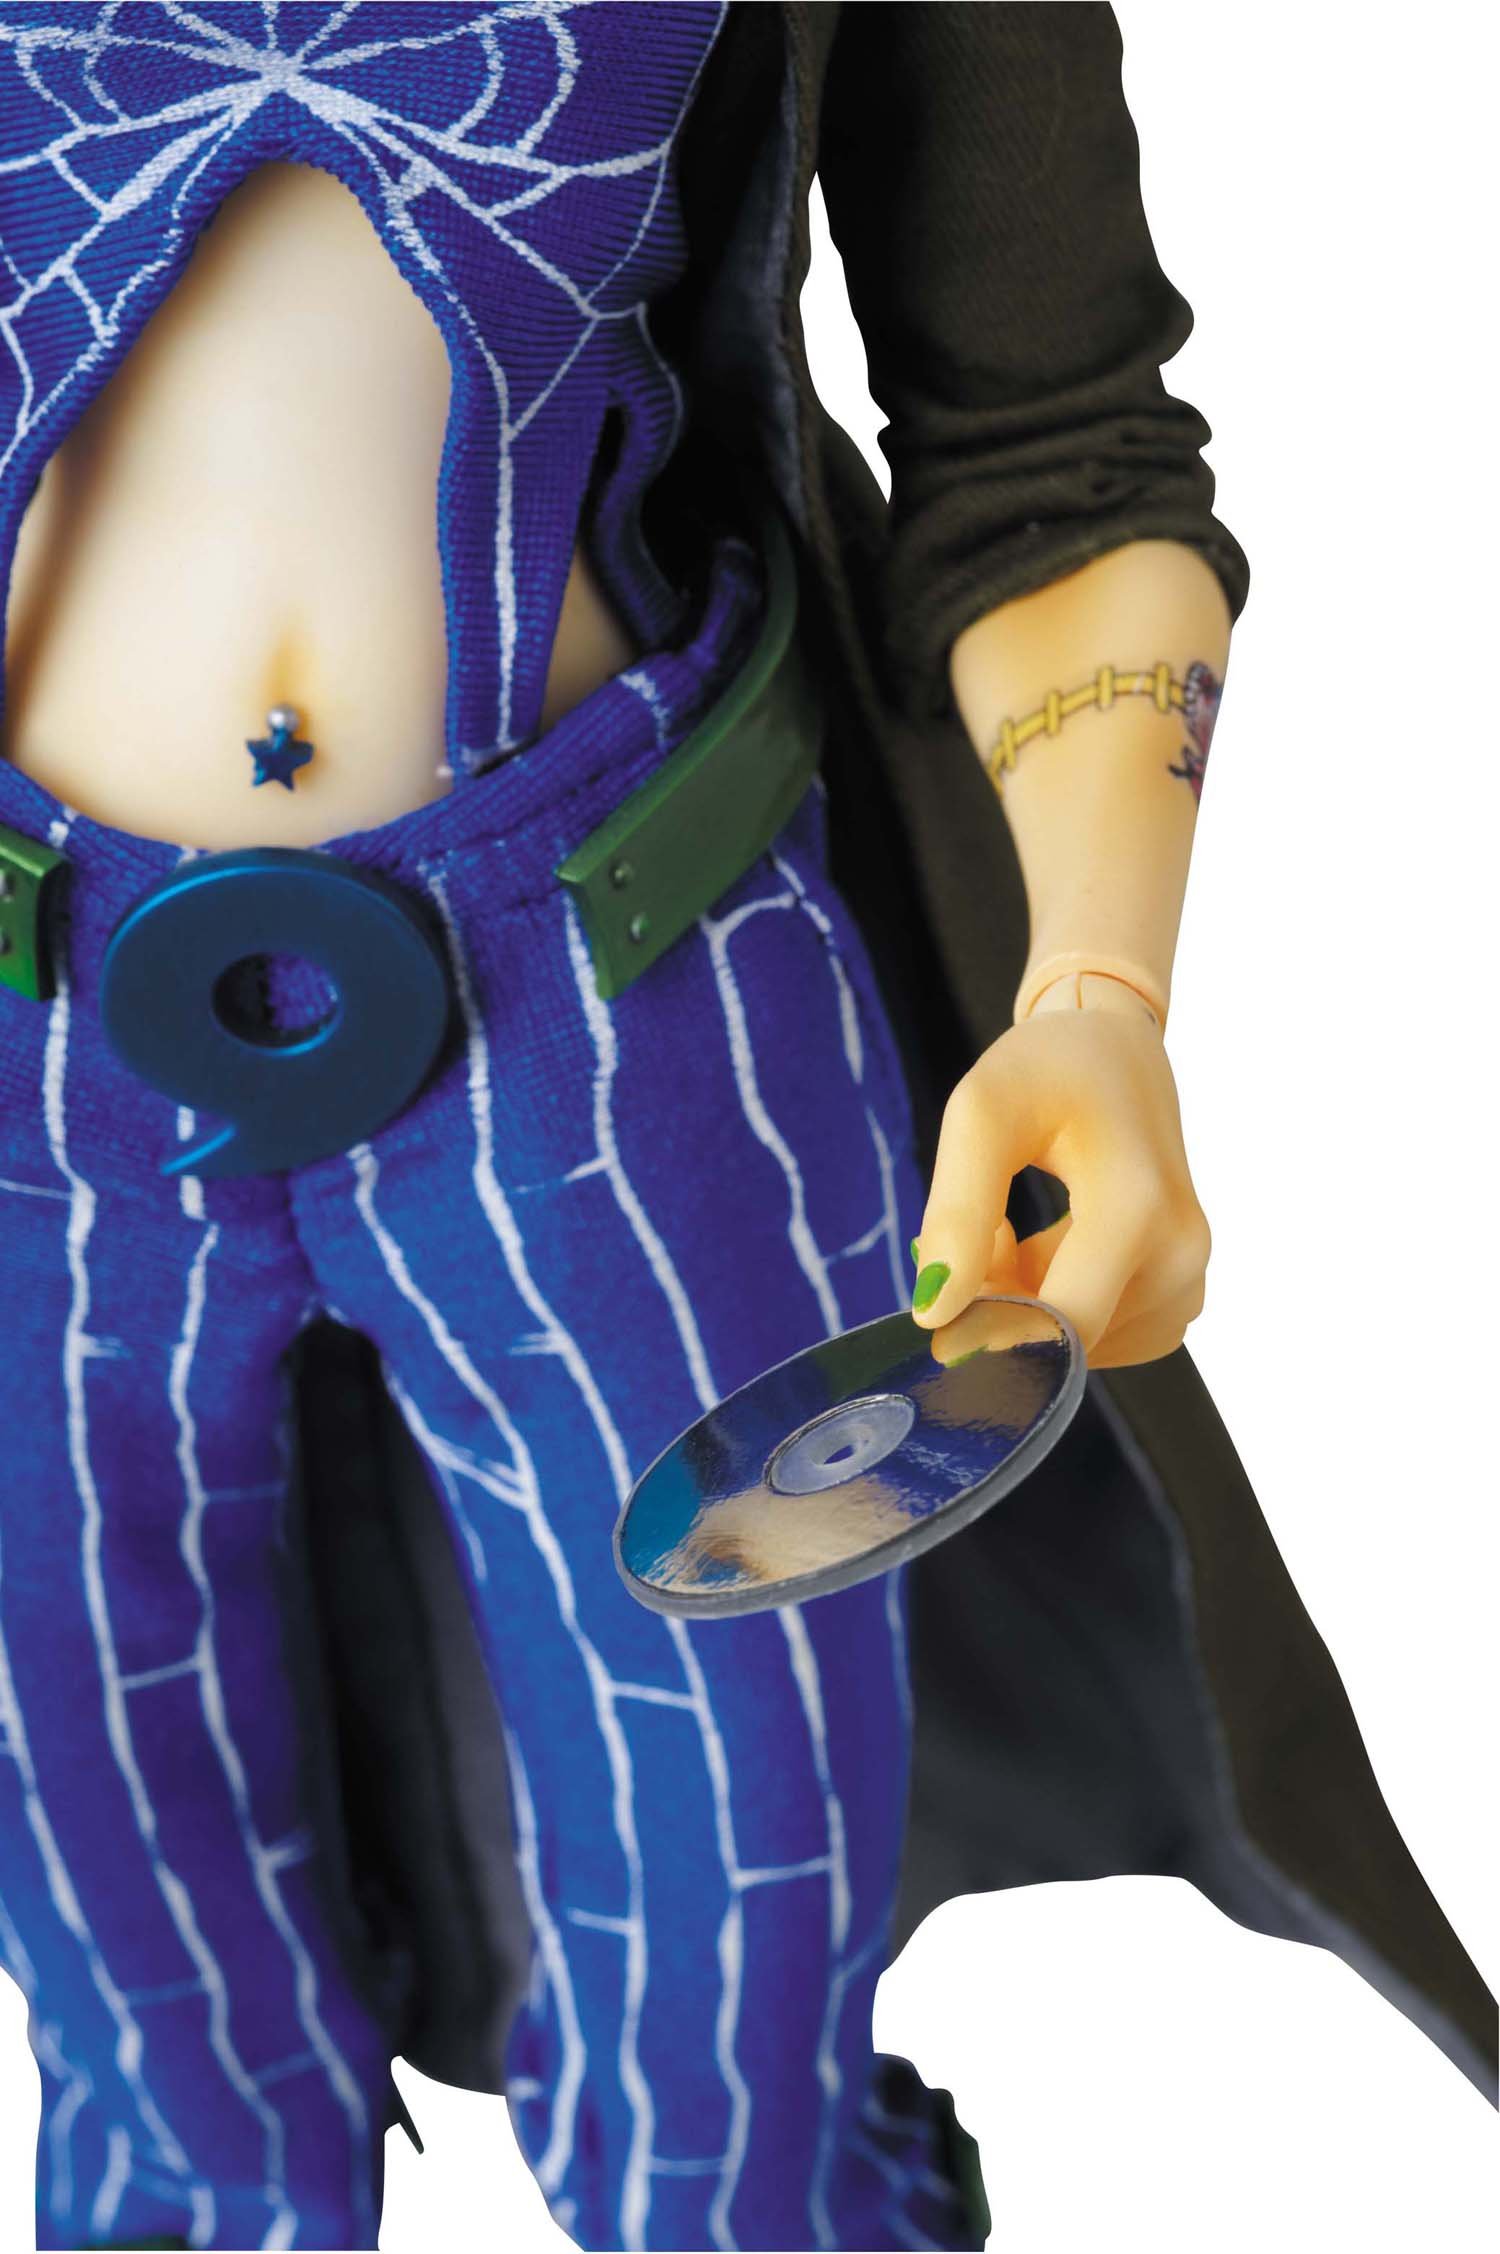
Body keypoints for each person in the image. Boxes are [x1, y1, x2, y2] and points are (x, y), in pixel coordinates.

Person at [0, 7, 1490, 2253]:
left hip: (632, 969)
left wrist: (1096, 991)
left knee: (744, 1879)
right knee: (111, 1919)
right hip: (24, 1037)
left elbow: (1055, 437)